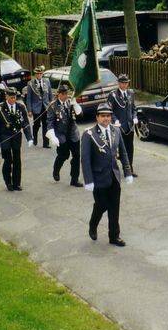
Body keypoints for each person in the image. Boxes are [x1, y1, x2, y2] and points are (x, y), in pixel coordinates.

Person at [81, 103, 133, 246]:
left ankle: (114, 236)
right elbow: (85, 159)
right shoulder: (89, 134)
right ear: (97, 117)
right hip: (98, 178)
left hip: (114, 176)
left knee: (114, 208)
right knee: (101, 205)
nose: (106, 119)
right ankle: (93, 223)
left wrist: (127, 171)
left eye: (108, 116)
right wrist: (88, 180)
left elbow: (123, 152)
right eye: (103, 116)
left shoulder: (116, 130)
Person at [0, 87, 33, 191]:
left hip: (16, 136)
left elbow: (25, 123)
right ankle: (8, 182)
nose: (13, 99)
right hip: (5, 137)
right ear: (6, 97)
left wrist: (29, 137)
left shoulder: (20, 107)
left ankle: (17, 183)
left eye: (14, 97)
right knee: (7, 160)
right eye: (11, 97)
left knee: (17, 160)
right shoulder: (0, 108)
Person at [46, 85, 83, 186]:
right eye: (63, 93)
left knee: (76, 156)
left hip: (73, 133)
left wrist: (76, 104)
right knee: (63, 155)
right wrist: (52, 135)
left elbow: (80, 115)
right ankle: (56, 169)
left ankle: (74, 179)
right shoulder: (53, 106)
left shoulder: (71, 102)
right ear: (58, 94)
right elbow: (50, 122)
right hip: (61, 134)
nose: (65, 95)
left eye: (66, 93)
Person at [108, 73, 139, 176]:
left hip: (130, 126)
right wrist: (115, 120)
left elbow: (133, 108)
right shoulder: (113, 95)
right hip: (119, 127)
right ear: (119, 83)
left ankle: (130, 169)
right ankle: (123, 168)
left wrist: (135, 117)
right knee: (121, 149)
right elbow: (110, 110)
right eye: (122, 83)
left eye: (126, 83)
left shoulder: (131, 93)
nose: (125, 85)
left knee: (130, 148)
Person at [25, 66, 53, 147]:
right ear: (35, 74)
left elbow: (50, 94)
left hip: (46, 107)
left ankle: (46, 143)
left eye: (40, 73)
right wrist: (29, 110)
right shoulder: (30, 83)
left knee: (46, 125)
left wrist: (52, 104)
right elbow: (29, 98)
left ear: (42, 74)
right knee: (37, 125)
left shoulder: (47, 81)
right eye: (37, 73)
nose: (39, 75)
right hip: (36, 108)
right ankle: (35, 138)